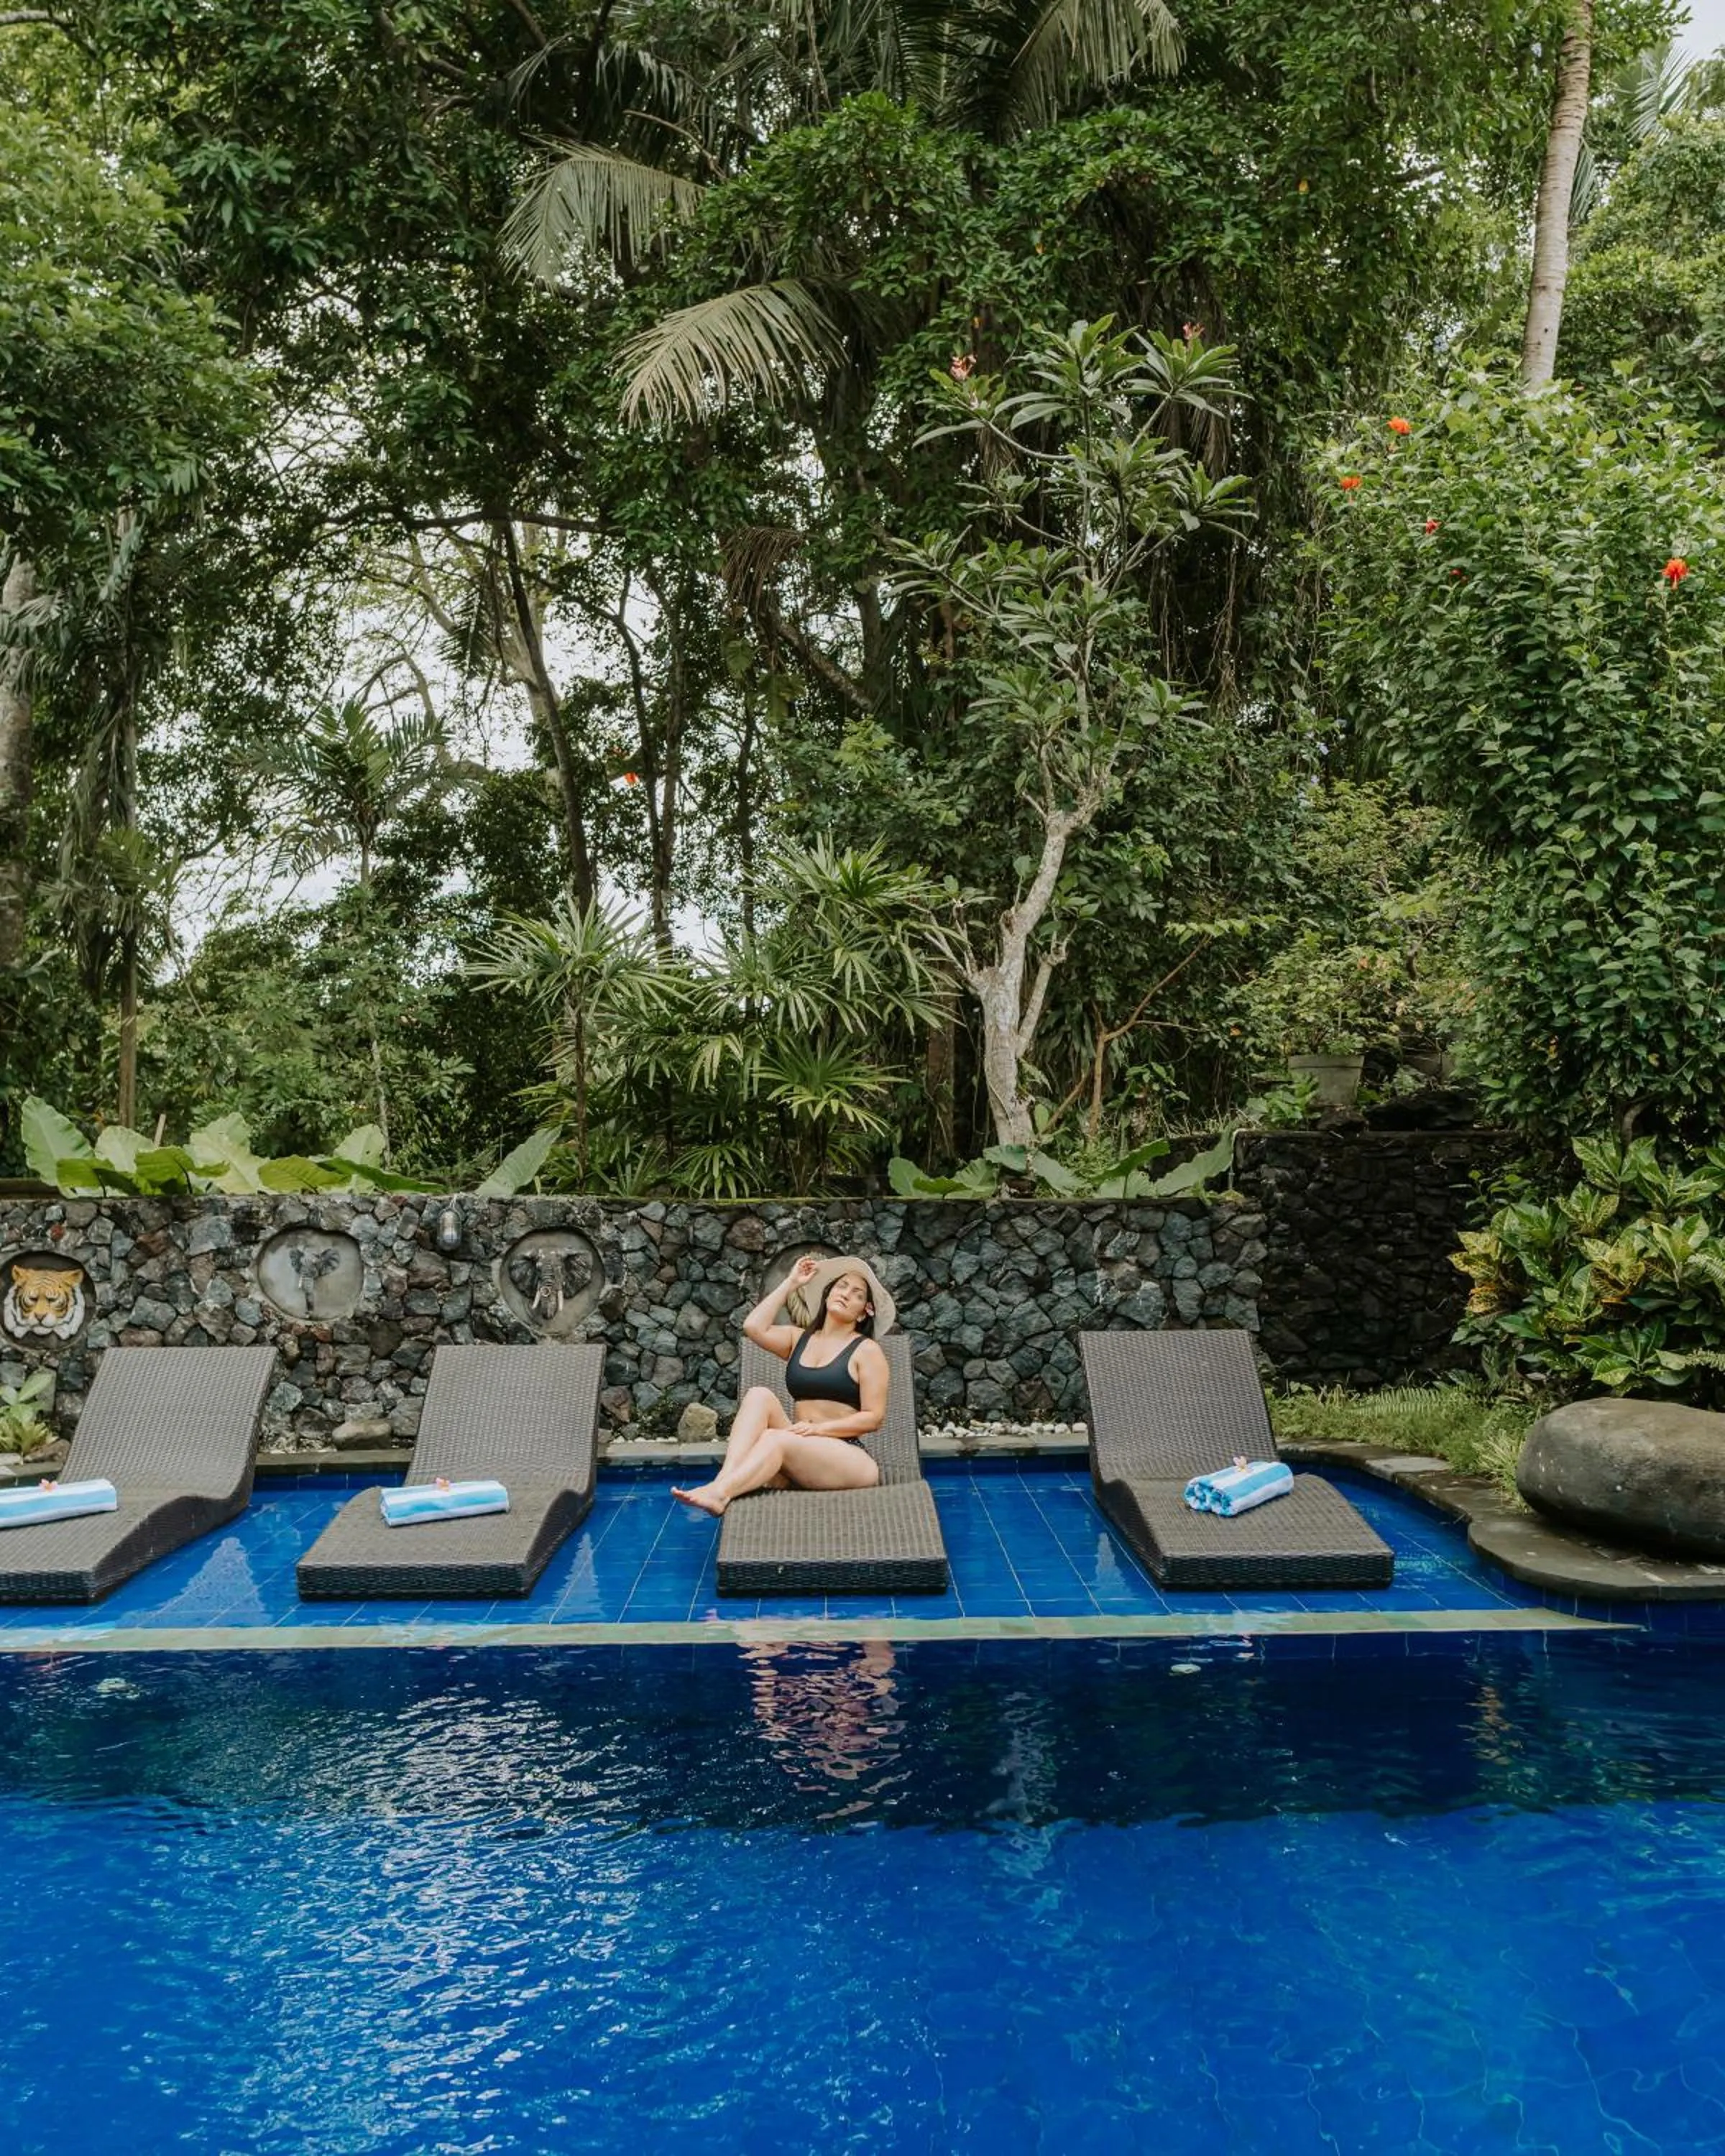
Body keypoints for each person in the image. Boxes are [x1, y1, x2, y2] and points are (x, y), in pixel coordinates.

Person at [671, 1253, 893, 1517]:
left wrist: (819, 1430)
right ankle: (724, 1481)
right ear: (827, 1294)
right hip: (801, 1446)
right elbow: (753, 1326)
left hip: (847, 1455)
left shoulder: (867, 1351)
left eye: (857, 1293)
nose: (846, 1294)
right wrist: (791, 1283)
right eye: (841, 1286)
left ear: (864, 1311)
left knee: (775, 1438)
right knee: (758, 1395)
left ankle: (721, 1493)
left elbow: (873, 1418)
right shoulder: (798, 1338)